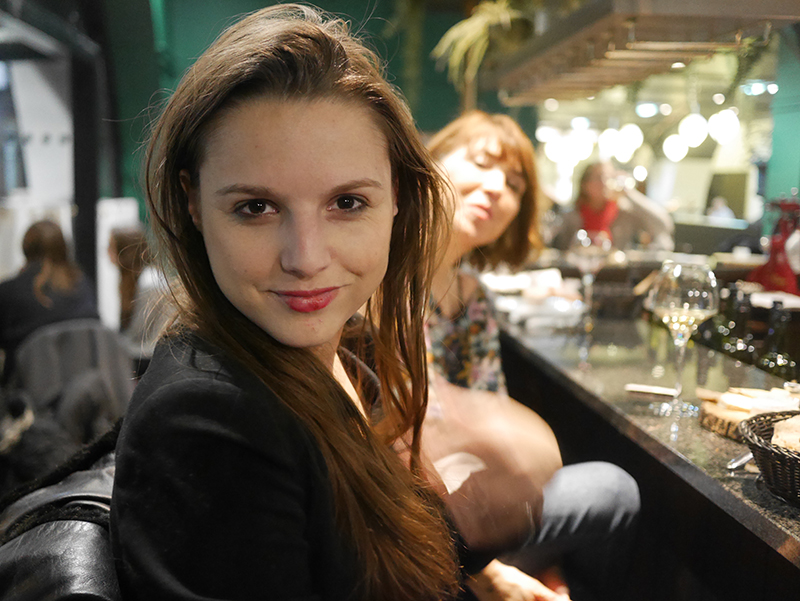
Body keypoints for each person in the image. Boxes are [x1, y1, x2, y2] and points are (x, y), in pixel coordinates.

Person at [110, 6, 562, 601]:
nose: (306, 258)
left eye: (346, 203)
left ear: (397, 196)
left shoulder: (346, 347)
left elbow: (363, 557)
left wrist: (477, 539)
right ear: (193, 203)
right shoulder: (208, 423)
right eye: (255, 207)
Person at [425, 111, 641, 600]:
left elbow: (496, 430)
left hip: (474, 514)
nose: (496, 187)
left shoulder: (472, 296)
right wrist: (491, 576)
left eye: (514, 184)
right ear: (430, 163)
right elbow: (399, 448)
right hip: (410, 520)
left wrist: (548, 568)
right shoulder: (386, 275)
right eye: (482, 163)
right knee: (611, 489)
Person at [0, 220, 98, 382]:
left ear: (25, 249)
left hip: (27, 390)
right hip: (81, 387)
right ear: (64, 248)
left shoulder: (8, 292)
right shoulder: (83, 286)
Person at [553, 161, 674, 251]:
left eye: (609, 177)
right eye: (599, 177)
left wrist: (630, 193)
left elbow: (663, 224)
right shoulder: (570, 216)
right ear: (585, 184)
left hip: (616, 274)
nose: (605, 182)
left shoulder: (623, 213)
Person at [109, 225, 173, 375]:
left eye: (110, 246)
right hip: (141, 353)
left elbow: (139, 333)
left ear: (124, 251)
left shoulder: (149, 283)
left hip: (151, 356)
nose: (106, 252)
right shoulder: (132, 281)